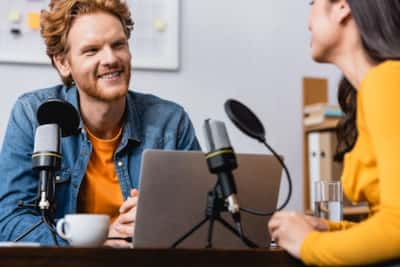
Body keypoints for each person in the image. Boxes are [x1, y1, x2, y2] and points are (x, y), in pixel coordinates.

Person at [0, 0, 200, 247]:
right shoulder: (33, 114)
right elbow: (9, 221)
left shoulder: (170, 121)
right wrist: (96, 239)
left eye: (118, 45)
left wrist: (164, 221)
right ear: (63, 62)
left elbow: (203, 217)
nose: (111, 59)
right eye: (92, 50)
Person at [268, 0, 400, 265]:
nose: (307, 22)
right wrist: (331, 230)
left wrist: (308, 244)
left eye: (312, 3)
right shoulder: (373, 91)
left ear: (342, 7)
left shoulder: (386, 81)